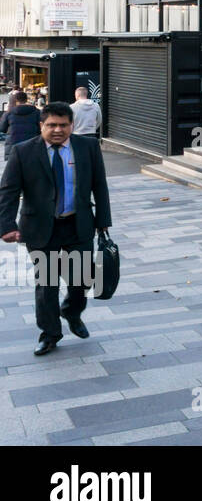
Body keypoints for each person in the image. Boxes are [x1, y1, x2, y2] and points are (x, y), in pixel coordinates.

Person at [0, 101, 113, 356]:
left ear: (72, 126)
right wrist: (6, 225)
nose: (58, 130)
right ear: (41, 125)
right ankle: (50, 333)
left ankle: (72, 311)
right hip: (40, 227)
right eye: (52, 125)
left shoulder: (88, 147)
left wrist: (103, 221)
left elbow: (100, 185)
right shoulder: (23, 152)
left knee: (81, 280)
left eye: (63, 125)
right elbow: (7, 192)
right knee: (47, 283)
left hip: (78, 223)